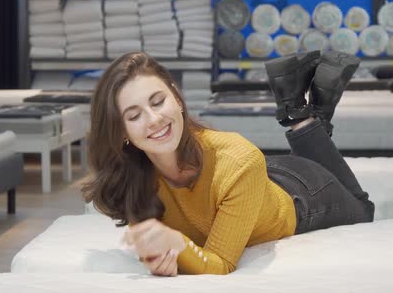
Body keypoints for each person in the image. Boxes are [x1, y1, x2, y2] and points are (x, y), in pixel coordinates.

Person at [82, 51, 375, 276]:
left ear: (176, 97)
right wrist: (161, 258)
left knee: (363, 209)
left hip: (301, 195)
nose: (154, 119)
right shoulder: (133, 176)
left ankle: (301, 117)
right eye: (134, 116)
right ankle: (298, 106)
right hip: (250, 180)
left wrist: (178, 246)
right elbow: (161, 251)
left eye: (158, 101)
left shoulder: (238, 160)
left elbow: (219, 264)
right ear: (122, 133)